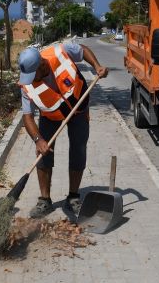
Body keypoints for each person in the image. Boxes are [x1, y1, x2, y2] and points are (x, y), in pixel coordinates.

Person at [18, 42, 108, 218]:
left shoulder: (60, 51)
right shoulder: (26, 85)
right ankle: (45, 200)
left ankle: (73, 197)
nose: (29, 79)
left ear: (42, 64)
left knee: (78, 149)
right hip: (50, 116)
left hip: (78, 110)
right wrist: (38, 140)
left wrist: (97, 66)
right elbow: (27, 117)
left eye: (32, 74)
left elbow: (83, 50)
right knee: (42, 154)